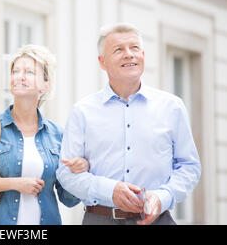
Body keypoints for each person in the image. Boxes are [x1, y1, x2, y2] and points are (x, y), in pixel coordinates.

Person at [57, 23, 201, 225]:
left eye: (134, 48)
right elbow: (66, 174)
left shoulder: (172, 107)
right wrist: (110, 191)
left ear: (142, 55)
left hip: (157, 220)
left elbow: (189, 166)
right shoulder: (82, 111)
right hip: (100, 219)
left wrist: (162, 197)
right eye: (118, 50)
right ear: (102, 61)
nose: (129, 54)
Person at [0, 44, 87, 225]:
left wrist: (78, 173)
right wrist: (14, 184)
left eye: (29, 72)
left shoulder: (57, 135)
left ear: (45, 84)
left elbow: (68, 199)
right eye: (15, 71)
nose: (20, 76)